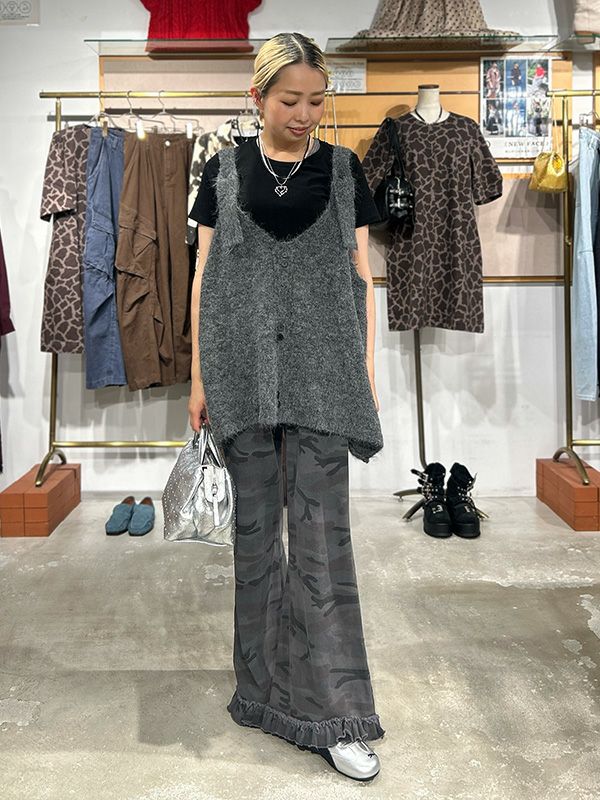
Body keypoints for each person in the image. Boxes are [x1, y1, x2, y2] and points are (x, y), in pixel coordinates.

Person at [187, 32, 385, 782]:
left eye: (315, 101)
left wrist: (364, 375)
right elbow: (205, 276)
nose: (305, 114)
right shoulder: (222, 169)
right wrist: (200, 379)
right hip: (240, 377)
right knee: (254, 545)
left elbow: (361, 276)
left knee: (322, 546)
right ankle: (263, 695)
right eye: (290, 100)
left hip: (323, 378)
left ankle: (334, 714)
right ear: (258, 97)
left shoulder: (344, 170)